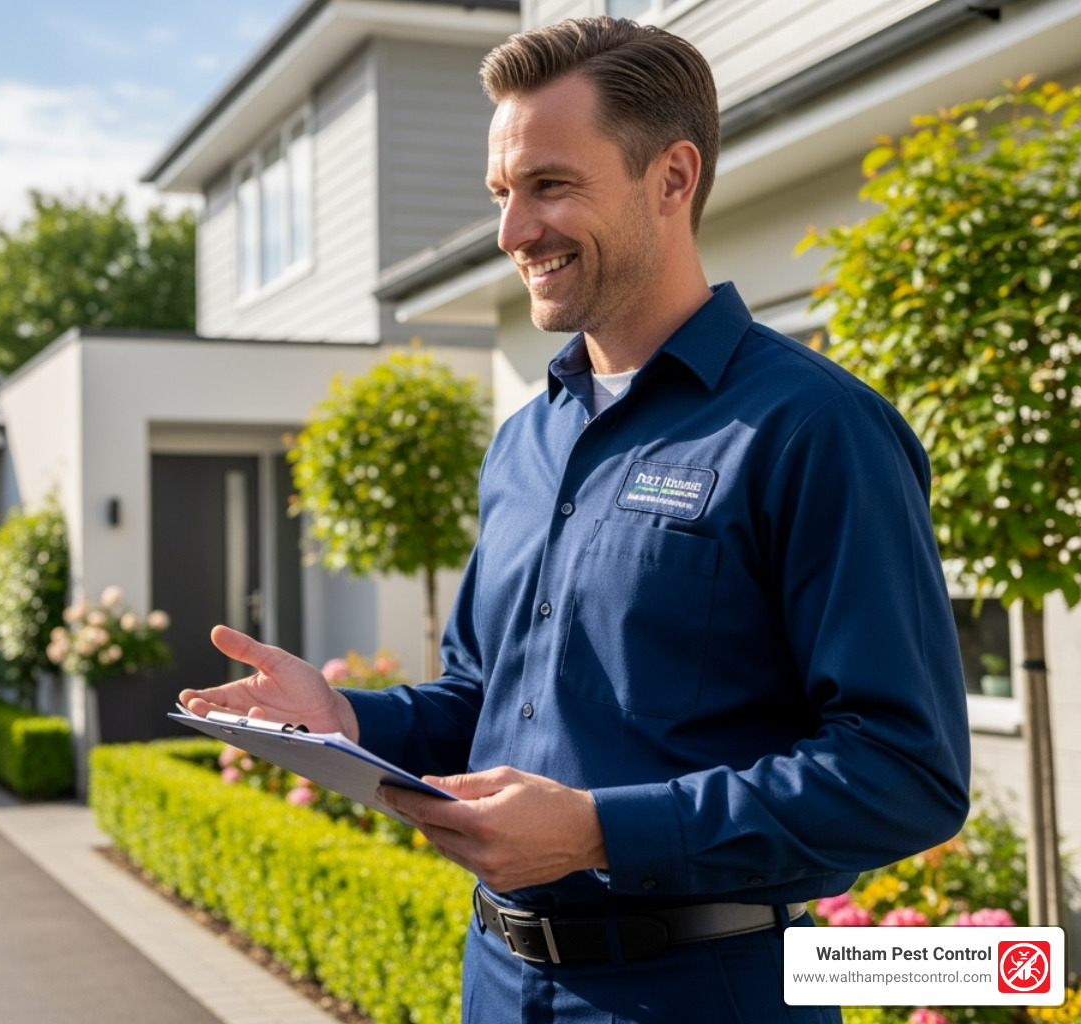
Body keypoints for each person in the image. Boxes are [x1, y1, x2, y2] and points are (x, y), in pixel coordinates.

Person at [183, 16, 971, 1023]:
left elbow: (905, 771)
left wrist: (605, 831)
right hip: (498, 980)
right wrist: (346, 719)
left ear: (672, 179)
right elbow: (486, 699)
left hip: (709, 994)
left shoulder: (815, 427)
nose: (513, 233)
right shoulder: (523, 444)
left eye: (550, 186)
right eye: (503, 195)